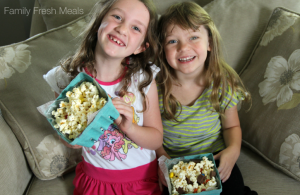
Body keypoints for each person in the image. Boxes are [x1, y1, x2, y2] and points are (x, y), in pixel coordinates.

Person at [43, 0, 163, 194]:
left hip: (141, 181)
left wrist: (130, 127)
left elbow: (156, 139)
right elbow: (67, 137)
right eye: (117, 17)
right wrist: (71, 139)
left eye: (135, 28)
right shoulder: (65, 76)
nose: (123, 28)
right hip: (95, 182)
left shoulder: (143, 78)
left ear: (141, 47)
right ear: (99, 21)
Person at [155, 2, 257, 195]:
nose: (184, 47)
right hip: (173, 163)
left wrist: (233, 151)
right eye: (172, 41)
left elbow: (231, 127)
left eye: (193, 37)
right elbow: (153, 133)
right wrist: (162, 159)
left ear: (209, 42)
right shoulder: (156, 88)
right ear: (162, 49)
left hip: (215, 158)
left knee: (235, 190)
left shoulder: (221, 82)